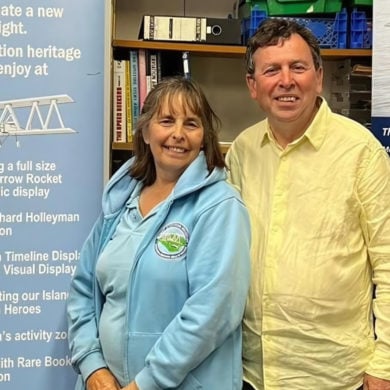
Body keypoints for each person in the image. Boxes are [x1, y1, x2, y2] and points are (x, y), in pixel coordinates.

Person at [225, 18, 390, 390]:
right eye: (272, 70)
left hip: (333, 375)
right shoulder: (242, 152)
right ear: (253, 85)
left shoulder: (362, 152)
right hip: (252, 373)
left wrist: (384, 365)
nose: (286, 81)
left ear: (318, 76)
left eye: (298, 67)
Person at [66, 76, 251, 390]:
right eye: (167, 121)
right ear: (146, 130)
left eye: (191, 124)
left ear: (205, 136)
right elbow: (84, 290)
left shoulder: (220, 206)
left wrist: (146, 383)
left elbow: (212, 312)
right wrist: (92, 366)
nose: (178, 134)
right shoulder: (120, 200)